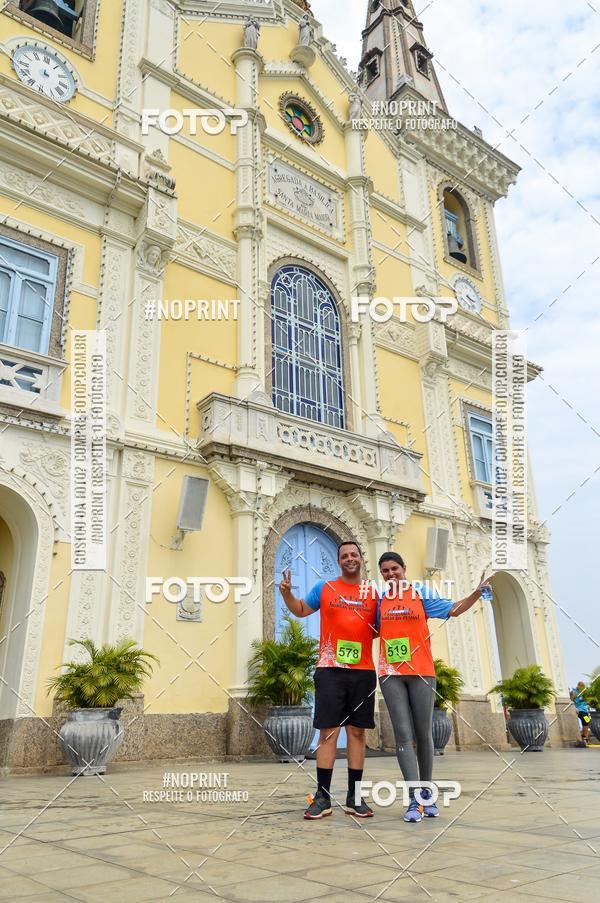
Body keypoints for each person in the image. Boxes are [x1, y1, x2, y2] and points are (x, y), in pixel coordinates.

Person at [377, 551, 492, 823]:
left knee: (423, 733)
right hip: (390, 673)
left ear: (404, 568)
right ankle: (413, 800)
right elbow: (367, 627)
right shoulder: (379, 599)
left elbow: (453, 609)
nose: (391, 574)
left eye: (395, 568)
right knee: (403, 736)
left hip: (422, 672)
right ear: (381, 574)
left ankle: (426, 795)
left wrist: (477, 593)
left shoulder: (420, 593)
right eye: (385, 571)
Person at [279, 541, 379, 820]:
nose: (350, 559)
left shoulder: (373, 593)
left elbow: (379, 629)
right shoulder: (325, 588)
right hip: (329, 669)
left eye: (354, 554)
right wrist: (287, 594)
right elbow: (300, 609)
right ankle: (322, 797)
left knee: (358, 733)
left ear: (361, 559)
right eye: (345, 555)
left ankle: (354, 797)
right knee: (328, 733)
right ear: (339, 561)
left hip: (362, 672)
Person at [571, 682, 591, 747]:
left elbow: (588, 700)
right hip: (579, 710)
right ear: (578, 686)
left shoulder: (585, 692)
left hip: (585, 710)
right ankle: (584, 738)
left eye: (583, 686)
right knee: (585, 721)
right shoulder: (573, 692)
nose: (582, 687)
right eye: (581, 686)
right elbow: (571, 701)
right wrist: (574, 708)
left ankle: (585, 738)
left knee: (587, 722)